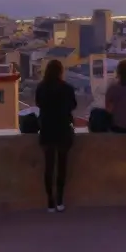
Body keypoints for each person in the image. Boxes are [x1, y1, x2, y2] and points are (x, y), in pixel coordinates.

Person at [35, 59, 77, 213]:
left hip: (47, 129)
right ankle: (60, 199)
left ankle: (50, 202)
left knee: (49, 166)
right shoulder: (67, 88)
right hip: (63, 129)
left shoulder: (41, 88)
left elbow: (38, 103)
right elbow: (73, 106)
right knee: (62, 166)